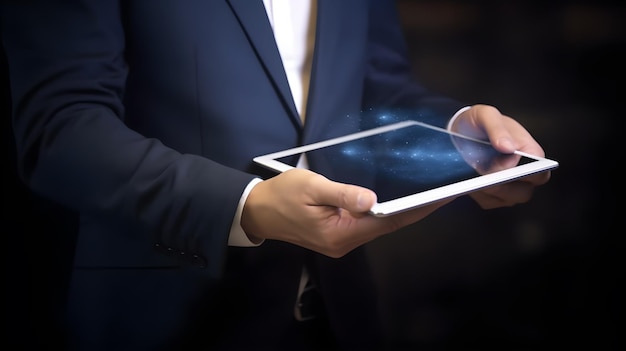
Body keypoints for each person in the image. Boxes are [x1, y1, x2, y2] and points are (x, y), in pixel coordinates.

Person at [0, 0, 551, 350]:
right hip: (165, 318)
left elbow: (372, 86)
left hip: (338, 316)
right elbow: (62, 129)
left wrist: (457, 136)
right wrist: (246, 206)